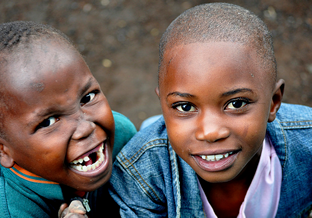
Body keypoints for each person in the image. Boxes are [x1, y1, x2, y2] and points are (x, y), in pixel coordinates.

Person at [108, 3, 312, 218]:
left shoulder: (307, 142)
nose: (211, 132)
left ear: (273, 102)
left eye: (236, 103)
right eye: (184, 107)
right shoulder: (140, 174)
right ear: (163, 104)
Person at [0, 21, 136, 217]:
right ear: (1, 148)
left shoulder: (122, 136)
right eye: (48, 122)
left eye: (87, 98)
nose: (85, 128)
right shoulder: (5, 212)